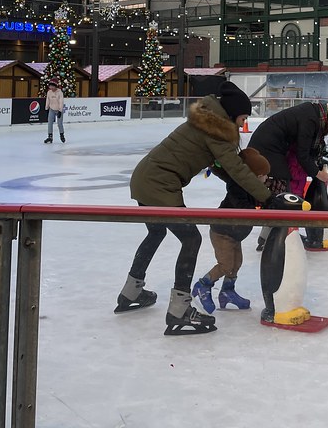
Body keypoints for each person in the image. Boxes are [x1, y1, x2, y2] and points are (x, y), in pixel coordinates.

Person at [113, 81, 294, 336]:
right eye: (242, 118)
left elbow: (221, 167)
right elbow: (236, 167)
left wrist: (247, 187)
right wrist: (266, 197)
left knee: (156, 232)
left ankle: (131, 291)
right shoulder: (217, 129)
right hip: (160, 184)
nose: (243, 124)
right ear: (231, 113)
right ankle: (179, 310)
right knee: (191, 239)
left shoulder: (209, 120)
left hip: (145, 177)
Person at [249, 100, 328, 251]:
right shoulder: (310, 121)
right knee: (285, 194)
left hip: (270, 147)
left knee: (283, 195)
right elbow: (302, 155)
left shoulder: (313, 113)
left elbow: (304, 152)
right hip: (267, 150)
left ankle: (267, 237)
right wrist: (318, 174)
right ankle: (275, 237)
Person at [191, 148, 271, 313]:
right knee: (226, 265)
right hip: (223, 232)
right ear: (255, 177)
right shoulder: (238, 188)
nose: (267, 179)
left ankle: (227, 292)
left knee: (236, 264)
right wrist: (258, 209)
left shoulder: (253, 189)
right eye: (264, 176)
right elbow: (242, 207)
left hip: (235, 234)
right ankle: (202, 285)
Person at [44, 79, 65, 144]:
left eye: (52, 86)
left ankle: (62, 135)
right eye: (50, 86)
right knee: (50, 123)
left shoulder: (60, 92)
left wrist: (60, 110)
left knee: (59, 124)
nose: (51, 88)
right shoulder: (49, 92)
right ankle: (50, 137)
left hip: (58, 110)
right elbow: (48, 100)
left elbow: (61, 102)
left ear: (56, 86)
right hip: (51, 109)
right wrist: (46, 108)